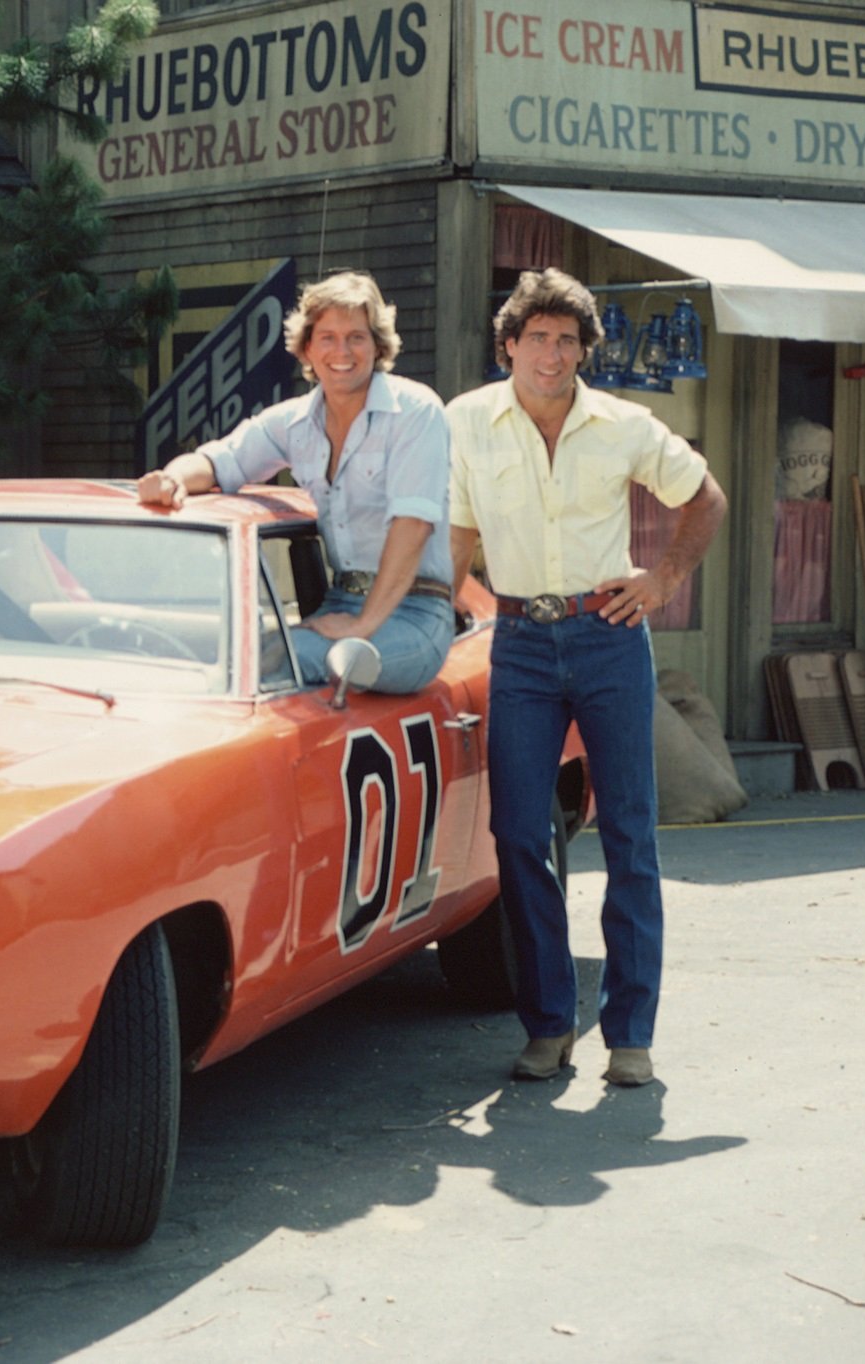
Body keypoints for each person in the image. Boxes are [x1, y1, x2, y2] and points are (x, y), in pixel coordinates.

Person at [446, 268, 728, 1088]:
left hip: (607, 636)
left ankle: (631, 1035)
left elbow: (703, 497)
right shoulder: (469, 421)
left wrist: (662, 583)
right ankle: (548, 1025)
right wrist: (441, 623)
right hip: (521, 645)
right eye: (536, 337)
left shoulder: (622, 424)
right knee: (519, 835)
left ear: (583, 352)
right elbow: (458, 532)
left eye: (567, 339)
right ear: (509, 345)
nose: (552, 352)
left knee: (631, 834)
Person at [136, 271, 455, 694]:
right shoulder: (294, 422)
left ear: (378, 345)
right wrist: (172, 479)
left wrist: (361, 625)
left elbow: (412, 527)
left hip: (415, 616)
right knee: (232, 663)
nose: (342, 351)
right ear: (307, 346)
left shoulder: (416, 412)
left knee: (271, 662)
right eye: (327, 337)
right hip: (339, 600)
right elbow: (219, 460)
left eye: (356, 337)